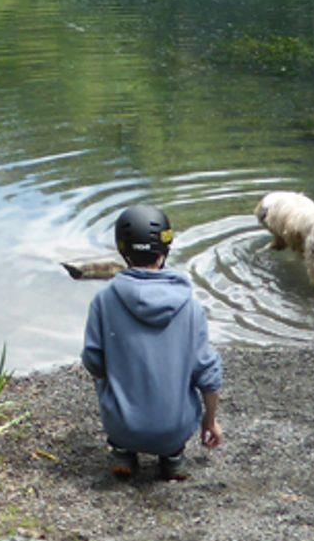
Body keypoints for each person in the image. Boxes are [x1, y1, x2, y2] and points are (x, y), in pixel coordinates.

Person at [81, 203, 223, 481]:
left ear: (122, 250)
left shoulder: (104, 300)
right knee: (186, 375)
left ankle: (123, 451)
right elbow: (208, 373)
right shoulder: (191, 307)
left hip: (122, 425)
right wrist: (210, 421)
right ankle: (172, 458)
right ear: (165, 250)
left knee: (107, 371)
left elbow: (93, 362)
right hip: (174, 429)